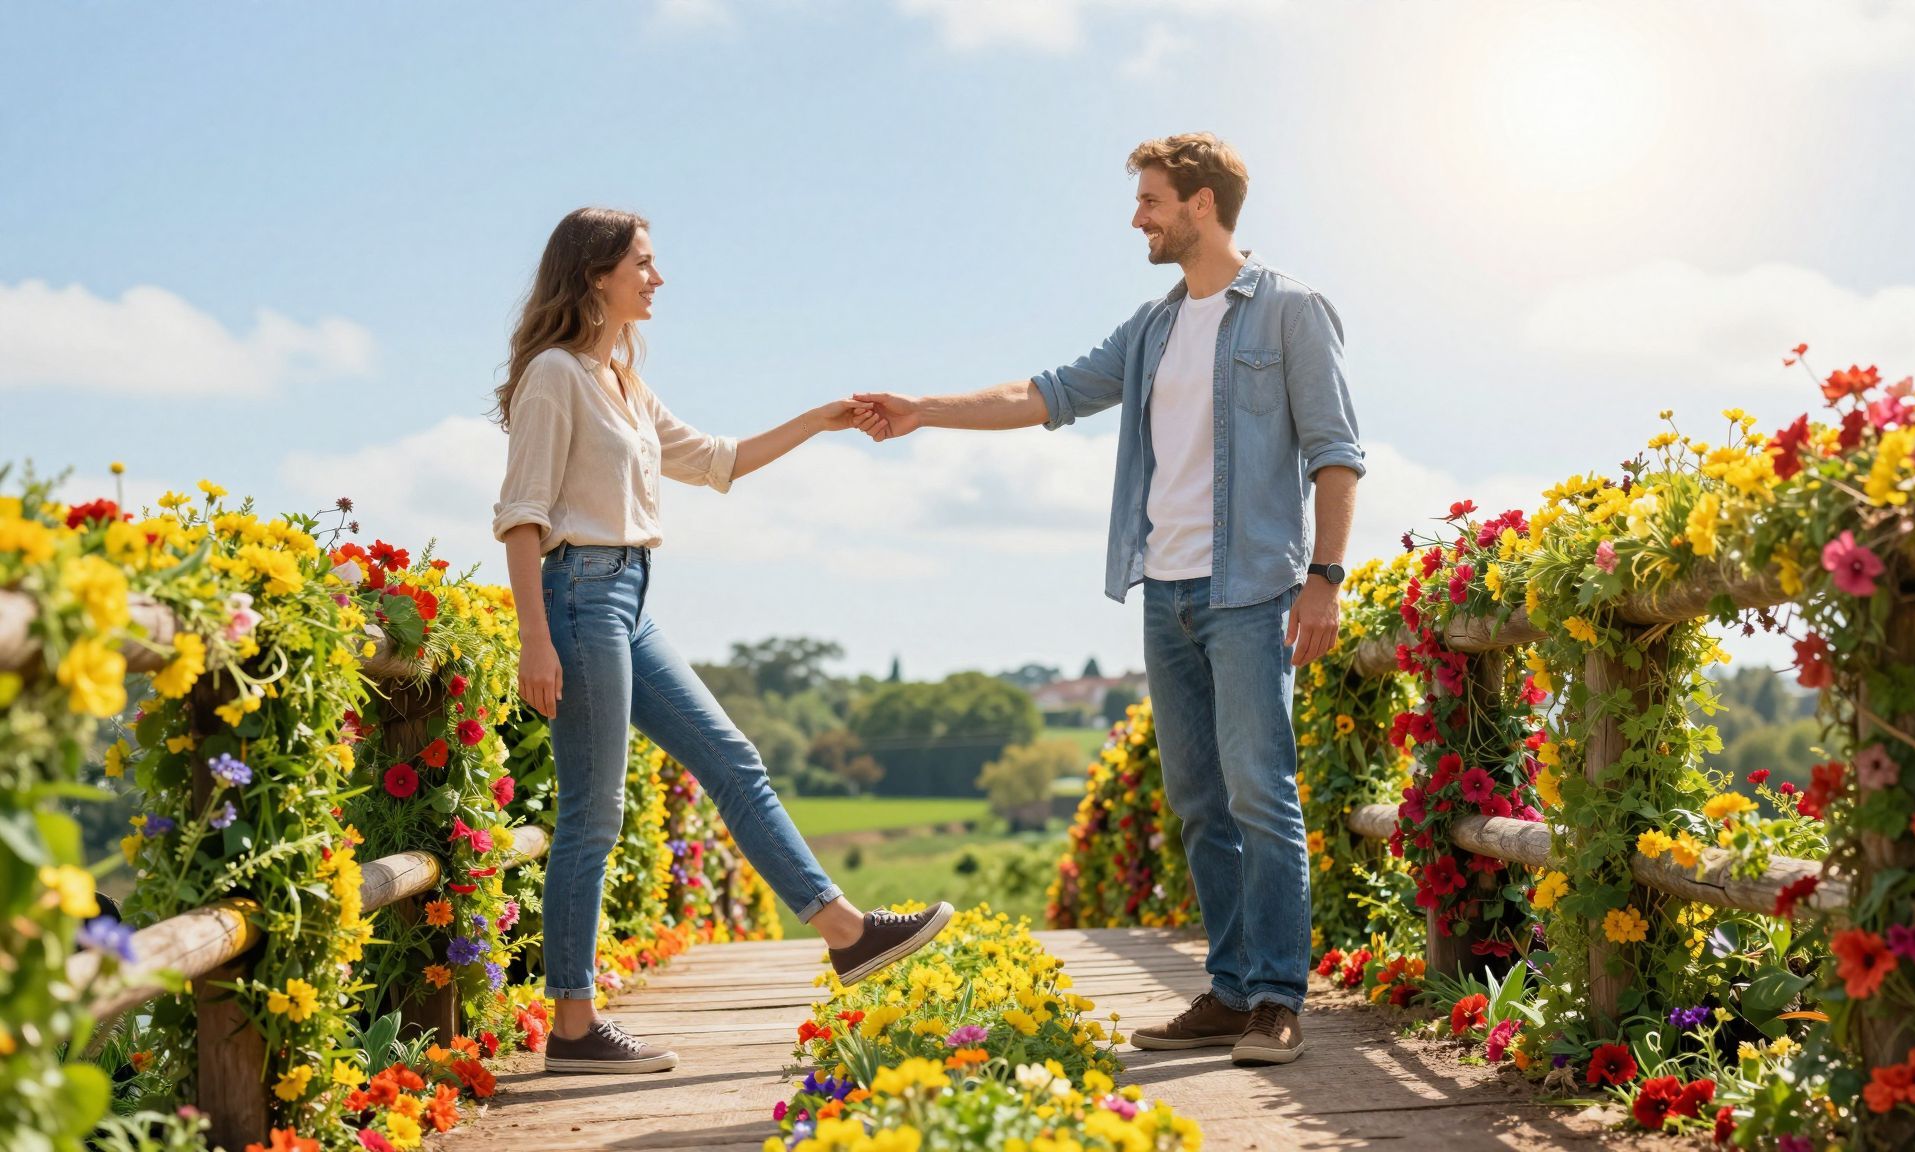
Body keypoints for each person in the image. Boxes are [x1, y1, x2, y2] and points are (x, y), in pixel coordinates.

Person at [850, 134, 1362, 1066]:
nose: (1139, 217)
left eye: (1152, 200)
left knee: (1261, 793)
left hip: (1252, 590)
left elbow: (1335, 453)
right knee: (1200, 801)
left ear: (1201, 204)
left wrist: (1325, 577)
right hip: (1164, 592)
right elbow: (1042, 394)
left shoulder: (1291, 310)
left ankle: (1280, 1001)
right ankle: (1230, 988)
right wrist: (924, 407)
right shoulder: (1152, 329)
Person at [492, 207, 952, 1075]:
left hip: (630, 596)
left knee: (733, 758)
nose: (657, 278)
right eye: (644, 263)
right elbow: (521, 518)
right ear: (596, 272)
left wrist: (821, 419)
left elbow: (718, 461)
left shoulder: (618, 381)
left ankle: (845, 933)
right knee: (594, 816)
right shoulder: (555, 375)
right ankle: (574, 1026)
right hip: (579, 596)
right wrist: (534, 639)